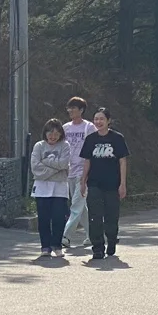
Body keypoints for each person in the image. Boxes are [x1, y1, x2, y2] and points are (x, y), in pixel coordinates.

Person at [80, 108, 129, 261]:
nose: (98, 122)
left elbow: (122, 162)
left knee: (111, 216)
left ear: (108, 121)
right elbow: (87, 161)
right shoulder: (90, 139)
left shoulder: (117, 138)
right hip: (94, 183)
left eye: (101, 119)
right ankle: (97, 248)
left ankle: (112, 240)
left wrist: (122, 184)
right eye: (96, 119)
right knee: (94, 216)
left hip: (112, 184)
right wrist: (83, 181)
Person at [30, 119, 71, 257]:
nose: (53, 136)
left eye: (56, 134)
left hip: (60, 188)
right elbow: (35, 167)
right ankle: (45, 246)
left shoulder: (65, 145)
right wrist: (56, 168)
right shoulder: (39, 146)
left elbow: (64, 163)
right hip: (42, 188)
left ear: (60, 134)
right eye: (50, 133)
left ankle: (57, 245)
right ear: (45, 133)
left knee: (59, 218)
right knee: (43, 219)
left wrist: (46, 162)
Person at [61, 97, 98, 249]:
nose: (70, 111)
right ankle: (94, 235)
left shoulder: (89, 127)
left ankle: (65, 236)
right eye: (69, 108)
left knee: (76, 205)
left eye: (73, 108)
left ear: (81, 110)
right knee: (81, 208)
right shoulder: (65, 128)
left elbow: (94, 148)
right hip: (69, 171)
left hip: (84, 172)